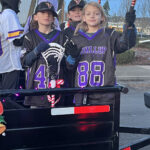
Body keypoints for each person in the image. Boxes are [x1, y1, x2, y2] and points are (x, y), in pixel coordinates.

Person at [65, 2, 136, 106]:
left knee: (104, 122)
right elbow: (69, 67)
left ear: (102, 17)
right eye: (88, 14)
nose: (92, 16)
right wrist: (72, 57)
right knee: (83, 122)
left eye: (96, 13)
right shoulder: (76, 38)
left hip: (105, 94)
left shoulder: (110, 35)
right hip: (82, 94)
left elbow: (125, 44)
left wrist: (129, 26)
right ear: (83, 18)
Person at [21, 2, 65, 108]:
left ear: (54, 18)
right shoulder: (29, 37)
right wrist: (36, 51)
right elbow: (24, 62)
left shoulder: (61, 36)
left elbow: (67, 65)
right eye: (43, 12)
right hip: (36, 92)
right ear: (35, 17)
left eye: (50, 13)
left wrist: (71, 57)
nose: (47, 15)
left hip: (56, 91)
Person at [61, 0, 86, 106]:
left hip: (89, 77)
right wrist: (71, 58)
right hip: (70, 79)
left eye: (81, 10)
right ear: (69, 14)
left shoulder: (93, 30)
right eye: (73, 10)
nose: (77, 12)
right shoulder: (63, 33)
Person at [0, 0, 24, 104]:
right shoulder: (9, 13)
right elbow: (17, 41)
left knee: (3, 100)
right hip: (10, 65)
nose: (20, 2)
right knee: (8, 100)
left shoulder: (2, 15)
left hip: (3, 65)